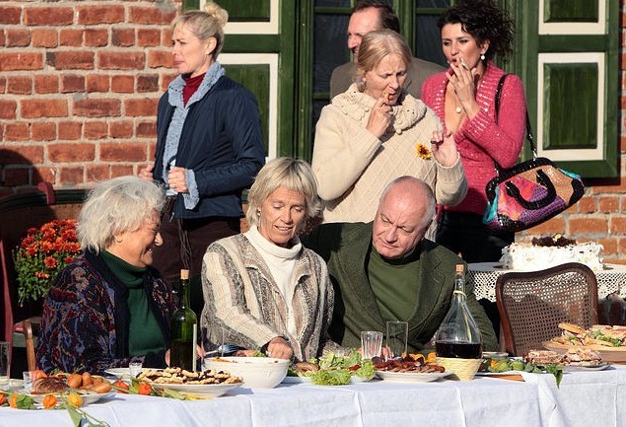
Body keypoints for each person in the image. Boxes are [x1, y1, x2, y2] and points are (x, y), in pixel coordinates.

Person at [138, 3, 265, 315]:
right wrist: (154, 175)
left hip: (211, 225)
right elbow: (172, 161)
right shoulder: (168, 100)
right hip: (168, 222)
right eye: (173, 43)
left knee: (213, 309)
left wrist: (196, 180)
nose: (174, 51)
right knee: (165, 307)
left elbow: (252, 165)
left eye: (182, 43)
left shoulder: (234, 98)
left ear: (209, 46)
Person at [302, 176, 498, 352]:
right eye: (385, 220)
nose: (390, 236)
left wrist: (419, 360)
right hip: (346, 374)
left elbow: (485, 341)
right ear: (378, 208)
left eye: (404, 229)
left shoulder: (448, 267)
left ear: (425, 230)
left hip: (412, 381)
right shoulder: (333, 240)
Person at [313, 29, 467, 232]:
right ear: (363, 73)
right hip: (353, 251)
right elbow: (325, 187)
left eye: (401, 74)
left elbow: (449, 197)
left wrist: (449, 166)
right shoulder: (337, 116)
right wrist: (369, 135)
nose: (394, 84)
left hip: (416, 251)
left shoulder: (425, 119)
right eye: (385, 75)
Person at [201, 158, 338, 361]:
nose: (287, 218)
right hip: (243, 380)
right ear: (258, 204)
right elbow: (226, 315)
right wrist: (271, 340)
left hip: (303, 385)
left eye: (297, 209)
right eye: (278, 206)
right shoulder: (223, 253)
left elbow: (319, 344)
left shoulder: (316, 266)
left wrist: (358, 356)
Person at [37, 176, 177, 375]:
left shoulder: (155, 282)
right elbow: (82, 367)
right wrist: (158, 362)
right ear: (119, 230)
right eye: (154, 230)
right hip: (95, 401)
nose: (160, 240)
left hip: (161, 394)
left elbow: (182, 339)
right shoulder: (79, 283)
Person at [421, 0, 526, 263]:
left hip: (487, 216)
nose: (453, 51)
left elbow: (508, 155)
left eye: (462, 41)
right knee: (438, 297)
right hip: (439, 213)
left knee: (484, 301)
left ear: (483, 45)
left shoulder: (507, 86)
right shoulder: (432, 86)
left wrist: (470, 104)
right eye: (447, 43)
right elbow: (421, 150)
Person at [330, 0, 444, 99]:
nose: (351, 44)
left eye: (360, 36)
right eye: (350, 35)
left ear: (388, 35)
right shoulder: (340, 76)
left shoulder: (433, 79)